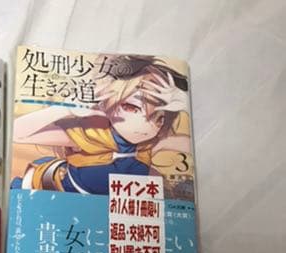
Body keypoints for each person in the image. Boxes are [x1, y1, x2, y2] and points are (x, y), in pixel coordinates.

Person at [12, 55, 191, 195]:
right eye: (132, 107)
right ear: (107, 103)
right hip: (58, 195)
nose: (146, 125)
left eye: (159, 118)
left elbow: (188, 145)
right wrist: (64, 109)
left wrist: (185, 102)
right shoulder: (92, 136)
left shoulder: (149, 145)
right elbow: (17, 133)